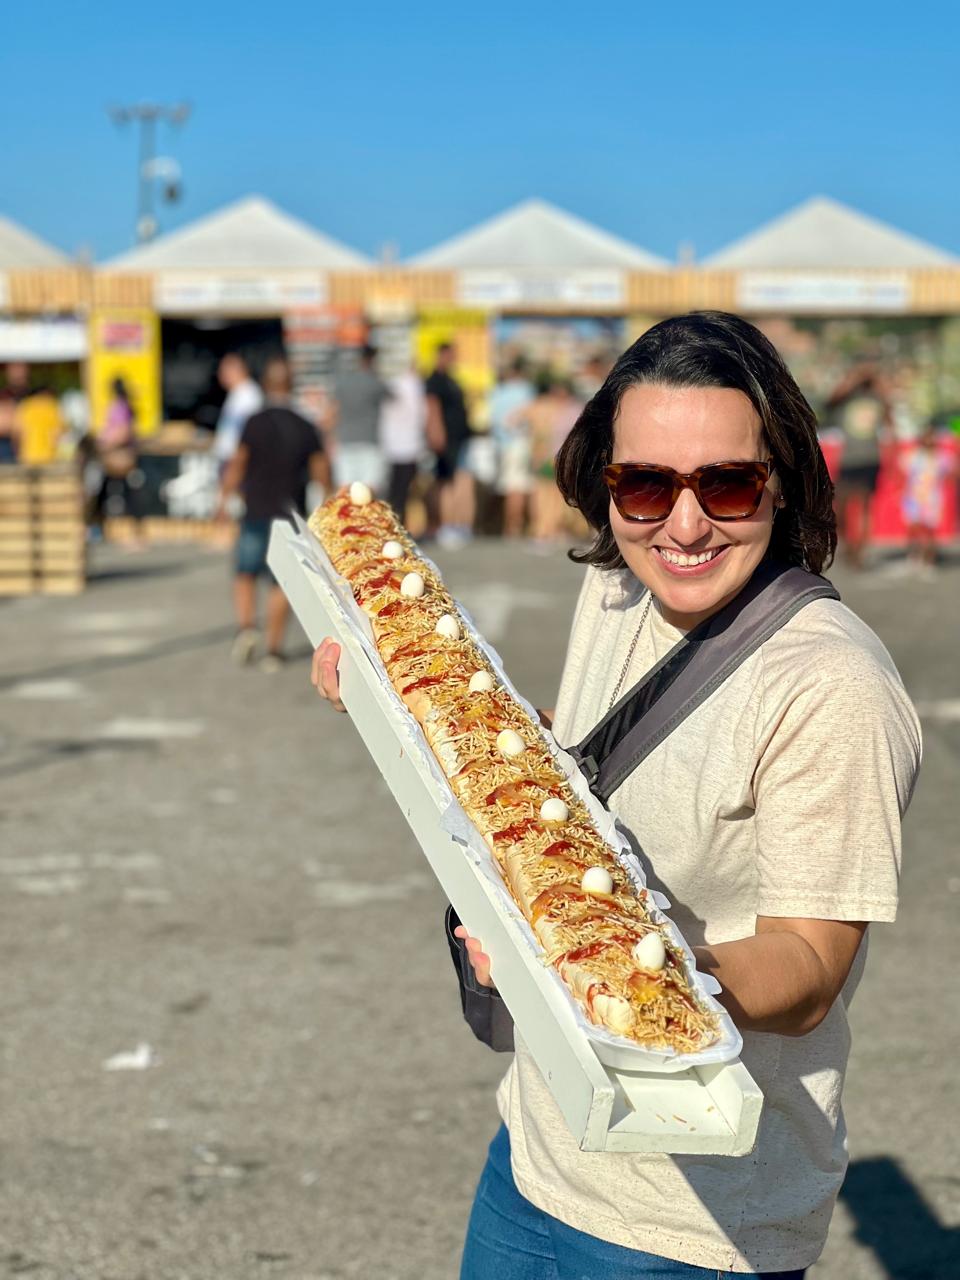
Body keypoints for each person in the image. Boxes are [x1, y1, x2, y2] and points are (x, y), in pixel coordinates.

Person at [310, 313, 921, 1278]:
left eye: (727, 482)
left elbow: (809, 967)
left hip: (698, 1228)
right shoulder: (618, 584)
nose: (684, 524)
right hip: (540, 1153)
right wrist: (407, 706)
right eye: (645, 485)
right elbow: (579, 763)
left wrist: (609, 971)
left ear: (784, 480)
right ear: (605, 481)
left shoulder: (831, 686)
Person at [217, 356, 330, 672]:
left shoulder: (254, 422)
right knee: (282, 582)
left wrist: (223, 499)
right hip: (290, 514)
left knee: (245, 572)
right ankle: (274, 650)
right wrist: (327, 506)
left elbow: (238, 463)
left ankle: (246, 627)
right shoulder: (305, 425)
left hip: (256, 509)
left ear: (266, 385)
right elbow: (322, 472)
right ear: (291, 385)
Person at [825, 362, 892, 569]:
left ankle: (860, 552)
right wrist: (853, 378)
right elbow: (830, 402)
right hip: (849, 459)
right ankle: (849, 547)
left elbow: (889, 412)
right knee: (840, 508)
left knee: (863, 507)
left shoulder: (877, 398)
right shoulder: (847, 399)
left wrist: (875, 378)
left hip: (869, 459)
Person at [425, 342, 475, 547]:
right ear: (441, 355)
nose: (453, 358)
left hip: (460, 437)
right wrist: (436, 433)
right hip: (447, 438)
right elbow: (432, 407)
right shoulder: (435, 380)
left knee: (460, 481)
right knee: (446, 482)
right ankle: (446, 525)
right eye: (450, 355)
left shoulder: (452, 379)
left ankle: (459, 525)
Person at [526, 374, 583, 545]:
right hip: (551, 457)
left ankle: (550, 529)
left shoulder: (570, 409)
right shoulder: (555, 408)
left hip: (561, 457)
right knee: (548, 496)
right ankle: (546, 529)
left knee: (553, 496)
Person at [329, 344, 391, 494]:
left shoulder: (343, 382)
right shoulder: (374, 382)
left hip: (345, 443)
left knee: (345, 494)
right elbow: (393, 399)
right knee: (369, 493)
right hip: (369, 444)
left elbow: (333, 413)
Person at [489, 357, 535, 537]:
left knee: (509, 487)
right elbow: (530, 415)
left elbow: (491, 418)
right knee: (518, 487)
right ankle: (515, 526)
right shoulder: (526, 390)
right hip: (520, 443)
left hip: (501, 445)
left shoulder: (497, 392)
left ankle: (509, 525)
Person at [899, 424, 955, 573]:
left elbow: (951, 474)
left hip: (932, 498)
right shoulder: (912, 455)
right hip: (914, 497)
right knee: (914, 528)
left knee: (930, 530)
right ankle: (914, 555)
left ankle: (929, 558)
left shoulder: (943, 457)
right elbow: (903, 473)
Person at [379, 363, 426, 523]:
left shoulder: (392, 385)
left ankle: (395, 521)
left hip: (394, 446)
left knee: (395, 490)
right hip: (407, 446)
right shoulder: (415, 386)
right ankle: (398, 521)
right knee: (403, 491)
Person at [212, 353, 263, 470]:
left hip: (237, 462)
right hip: (229, 459)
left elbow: (248, 433)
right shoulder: (237, 393)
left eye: (223, 371)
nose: (220, 376)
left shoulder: (249, 395)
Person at [16, 383, 65, 466]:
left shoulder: (25, 405)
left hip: (27, 456)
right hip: (50, 456)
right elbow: (59, 433)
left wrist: (18, 453)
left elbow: (17, 432)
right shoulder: (53, 406)